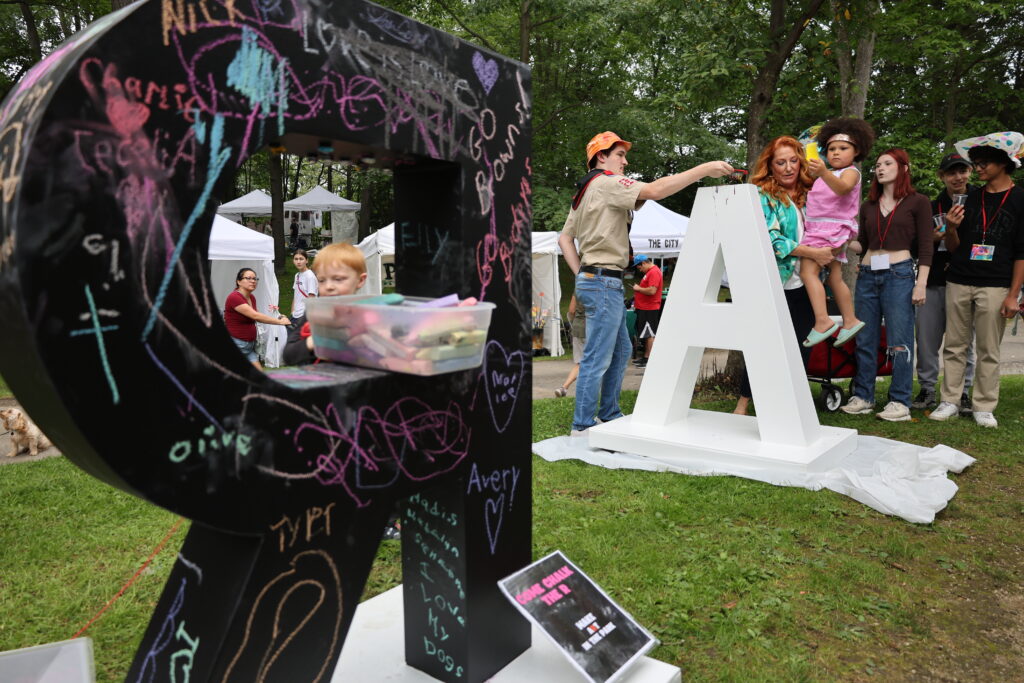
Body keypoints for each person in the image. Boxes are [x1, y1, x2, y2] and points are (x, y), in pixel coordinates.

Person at [558, 132, 733, 436]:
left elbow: (564, 238)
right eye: (619, 155)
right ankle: (582, 426)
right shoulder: (607, 182)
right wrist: (704, 170)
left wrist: (581, 274)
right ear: (601, 156)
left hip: (597, 278)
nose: (625, 162)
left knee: (622, 351)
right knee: (597, 357)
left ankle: (609, 414)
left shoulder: (584, 190)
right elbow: (655, 189)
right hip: (602, 280)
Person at [733, 136, 835, 415]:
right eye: (781, 162)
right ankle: (743, 402)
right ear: (771, 166)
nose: (788, 167)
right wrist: (813, 253)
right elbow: (773, 239)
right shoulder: (764, 195)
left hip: (806, 284)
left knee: (802, 346)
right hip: (773, 282)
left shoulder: (812, 193)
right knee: (763, 345)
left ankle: (791, 405)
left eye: (793, 160)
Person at [929, 132, 1024, 427]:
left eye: (983, 163)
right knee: (955, 345)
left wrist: (1013, 294)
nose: (977, 169)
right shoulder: (969, 198)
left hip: (997, 284)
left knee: (988, 348)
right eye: (976, 163)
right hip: (959, 278)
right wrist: (952, 228)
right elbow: (955, 247)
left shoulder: (1020, 198)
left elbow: (1022, 251)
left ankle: (984, 405)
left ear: (1003, 164)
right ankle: (950, 401)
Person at [840, 149, 933, 421]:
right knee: (865, 338)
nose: (880, 169)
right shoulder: (868, 206)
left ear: (903, 167)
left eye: (887, 164)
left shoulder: (918, 202)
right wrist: (842, 236)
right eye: (878, 165)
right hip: (868, 274)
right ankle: (863, 395)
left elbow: (926, 247)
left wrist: (921, 283)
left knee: (899, 341)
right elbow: (864, 245)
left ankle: (900, 401)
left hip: (901, 275)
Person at [800, 118, 875, 347]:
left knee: (807, 272)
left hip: (830, 230)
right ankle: (850, 320)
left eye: (843, 148)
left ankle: (823, 321)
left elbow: (843, 189)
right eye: (831, 149)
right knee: (834, 277)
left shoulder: (850, 173)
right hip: (821, 229)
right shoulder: (827, 173)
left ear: (857, 151)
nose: (835, 153)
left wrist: (823, 172)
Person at [912, 153, 976, 412]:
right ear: (942, 176)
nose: (958, 177)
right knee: (926, 340)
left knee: (963, 341)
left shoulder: (981, 202)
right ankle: (927, 389)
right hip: (934, 281)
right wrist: (933, 238)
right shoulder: (930, 206)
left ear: (970, 172)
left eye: (962, 171)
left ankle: (963, 391)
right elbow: (915, 246)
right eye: (952, 172)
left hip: (967, 280)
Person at [282, 242, 368, 366]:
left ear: (360, 280)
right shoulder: (313, 315)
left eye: (338, 279)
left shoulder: (368, 317)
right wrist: (320, 338)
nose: (328, 287)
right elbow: (289, 355)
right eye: (321, 280)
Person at [224, 268, 290, 369]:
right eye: (249, 278)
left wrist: (278, 316)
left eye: (255, 279)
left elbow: (256, 314)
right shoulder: (234, 297)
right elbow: (255, 316)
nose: (253, 281)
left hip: (249, 346)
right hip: (237, 344)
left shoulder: (251, 298)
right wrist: (279, 322)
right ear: (239, 281)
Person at [631, 254, 662, 369]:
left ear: (643, 263)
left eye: (639, 267)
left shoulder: (654, 272)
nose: (639, 269)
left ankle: (649, 359)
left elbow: (652, 290)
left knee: (649, 334)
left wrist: (638, 289)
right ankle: (646, 357)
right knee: (646, 333)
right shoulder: (650, 272)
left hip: (649, 308)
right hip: (645, 307)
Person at [555, 293, 585, 397]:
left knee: (580, 362)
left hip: (577, 328)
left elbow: (571, 310)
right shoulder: (599, 286)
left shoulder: (578, 289)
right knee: (592, 362)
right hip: (591, 329)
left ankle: (564, 387)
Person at [291, 249, 319, 322]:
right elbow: (296, 295)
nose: (298, 262)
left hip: (304, 316)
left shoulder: (310, 276)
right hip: (295, 315)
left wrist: (305, 318)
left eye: (301, 259)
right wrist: (292, 312)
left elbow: (311, 298)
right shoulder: (297, 275)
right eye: (296, 259)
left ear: (306, 261)